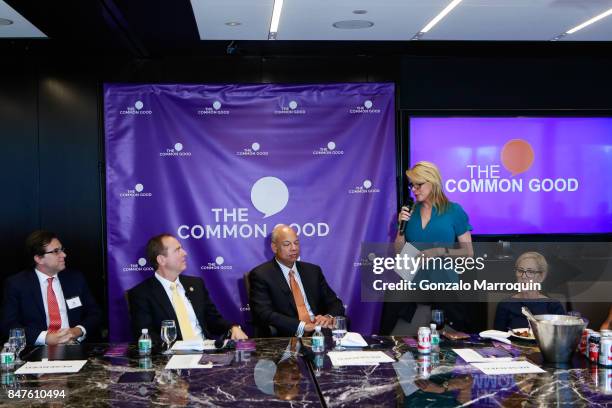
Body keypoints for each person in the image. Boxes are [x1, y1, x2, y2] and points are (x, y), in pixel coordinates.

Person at [381, 161, 474, 335]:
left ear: (433, 182)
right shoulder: (410, 212)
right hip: (410, 288)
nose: (414, 190)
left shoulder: (454, 211)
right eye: (412, 185)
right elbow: (399, 253)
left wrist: (438, 252)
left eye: (419, 185)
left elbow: (468, 253)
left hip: (443, 287)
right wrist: (401, 229)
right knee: (400, 345)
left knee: (445, 347)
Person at [128, 233, 247, 343]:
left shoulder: (196, 284)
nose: (184, 253)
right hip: (171, 358)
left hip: (206, 353)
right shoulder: (142, 293)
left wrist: (232, 327)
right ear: (161, 260)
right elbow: (146, 335)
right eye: (177, 250)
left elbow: (213, 320)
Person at [1, 230, 102, 346]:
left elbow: (95, 313)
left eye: (62, 250)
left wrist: (78, 331)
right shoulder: (17, 284)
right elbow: (9, 324)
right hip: (37, 352)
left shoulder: (76, 279)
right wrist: (46, 338)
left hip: (76, 347)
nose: (64, 255)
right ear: (39, 259)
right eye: (56, 251)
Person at [248, 224, 345, 337]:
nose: (294, 248)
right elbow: (263, 313)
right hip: (288, 334)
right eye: (287, 244)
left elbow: (335, 303)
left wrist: (327, 317)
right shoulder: (261, 274)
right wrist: (302, 326)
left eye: (296, 243)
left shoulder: (313, 271)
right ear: (274, 248)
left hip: (320, 331)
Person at [494, 251, 565, 331]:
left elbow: (562, 337)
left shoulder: (553, 306)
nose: (523, 276)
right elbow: (497, 339)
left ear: (541, 277)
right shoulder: (505, 305)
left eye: (530, 272)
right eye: (520, 271)